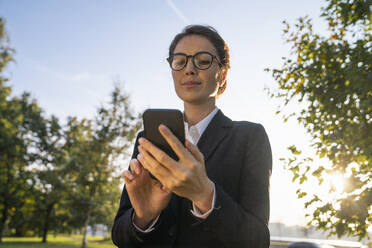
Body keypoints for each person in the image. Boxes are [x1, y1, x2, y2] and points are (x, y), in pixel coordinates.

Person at [111, 25, 272, 248]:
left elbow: (258, 240)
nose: (189, 69)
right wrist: (143, 218)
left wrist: (206, 196)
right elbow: (120, 236)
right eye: (180, 61)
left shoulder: (249, 137)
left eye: (203, 60)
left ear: (222, 74)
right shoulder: (148, 138)